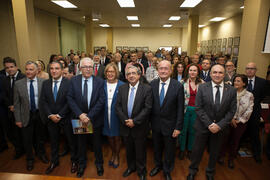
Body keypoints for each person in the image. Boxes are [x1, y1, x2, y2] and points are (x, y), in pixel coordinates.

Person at [187, 64, 237, 180]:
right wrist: (210, 124)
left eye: (220, 73)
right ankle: (192, 171)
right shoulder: (202, 87)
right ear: (210, 74)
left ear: (224, 75)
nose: (217, 75)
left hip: (220, 128)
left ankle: (210, 172)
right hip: (203, 126)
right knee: (197, 151)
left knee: (215, 152)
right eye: (214, 72)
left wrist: (219, 125)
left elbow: (232, 111)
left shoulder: (231, 90)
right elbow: (198, 108)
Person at [67, 57, 105, 177]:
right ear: (80, 68)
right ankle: (81, 165)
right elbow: (70, 98)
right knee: (81, 144)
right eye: (85, 67)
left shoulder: (99, 81)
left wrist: (89, 116)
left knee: (97, 144)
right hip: (79, 119)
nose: (88, 69)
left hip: (94, 119)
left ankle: (99, 164)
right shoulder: (74, 80)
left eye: (90, 67)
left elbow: (101, 100)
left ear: (93, 68)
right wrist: (80, 114)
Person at [40, 61, 78, 174]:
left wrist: (60, 114)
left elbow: (70, 101)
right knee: (54, 142)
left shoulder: (69, 83)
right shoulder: (45, 83)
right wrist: (50, 115)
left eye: (57, 68)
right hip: (51, 119)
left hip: (66, 117)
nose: (54, 71)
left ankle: (74, 161)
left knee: (71, 142)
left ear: (62, 70)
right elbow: (43, 101)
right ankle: (54, 161)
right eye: (51, 68)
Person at [115, 65, 152, 180]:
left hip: (139, 126)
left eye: (133, 73)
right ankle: (131, 167)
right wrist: (126, 120)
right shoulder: (122, 88)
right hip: (126, 125)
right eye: (128, 74)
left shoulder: (146, 88)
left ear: (139, 75)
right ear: (126, 76)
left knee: (140, 151)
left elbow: (147, 108)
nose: (131, 75)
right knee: (129, 150)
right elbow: (118, 107)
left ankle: (141, 170)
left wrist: (134, 121)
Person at [150, 60, 184, 180]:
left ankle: (167, 169)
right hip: (155, 124)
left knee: (169, 150)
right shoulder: (152, 84)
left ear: (170, 71)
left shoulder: (178, 86)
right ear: (157, 70)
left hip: (171, 125)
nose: (163, 71)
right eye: (161, 68)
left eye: (166, 69)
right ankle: (158, 165)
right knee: (157, 147)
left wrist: (178, 127)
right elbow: (149, 106)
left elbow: (180, 108)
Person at [13, 61, 49, 171]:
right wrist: (18, 119)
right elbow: (16, 103)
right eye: (27, 69)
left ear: (37, 70)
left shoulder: (44, 82)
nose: (28, 72)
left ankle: (41, 154)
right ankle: (30, 159)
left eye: (31, 69)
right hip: (25, 115)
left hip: (40, 114)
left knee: (40, 137)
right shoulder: (18, 84)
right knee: (27, 139)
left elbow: (47, 100)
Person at [219, 74, 254, 169]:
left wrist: (239, 121)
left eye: (238, 81)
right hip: (227, 121)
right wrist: (231, 118)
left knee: (235, 141)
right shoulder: (229, 92)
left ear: (244, 83)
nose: (235, 82)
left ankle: (231, 159)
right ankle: (221, 156)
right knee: (224, 140)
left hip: (240, 123)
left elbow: (249, 110)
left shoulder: (249, 95)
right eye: (235, 81)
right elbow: (224, 106)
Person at [179, 64, 204, 160]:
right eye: (191, 70)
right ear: (187, 71)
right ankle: (182, 150)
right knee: (183, 130)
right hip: (184, 110)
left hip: (197, 111)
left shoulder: (202, 83)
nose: (192, 72)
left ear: (198, 72)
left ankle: (190, 149)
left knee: (193, 131)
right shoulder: (182, 82)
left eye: (195, 70)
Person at [2, 57, 25, 159]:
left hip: (22, 110)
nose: (10, 69)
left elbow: (25, 95)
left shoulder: (23, 77)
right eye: (7, 68)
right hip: (10, 110)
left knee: (24, 133)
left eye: (11, 67)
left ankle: (26, 149)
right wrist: (10, 105)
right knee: (12, 133)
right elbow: (3, 94)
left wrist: (17, 106)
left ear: (16, 67)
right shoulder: (4, 80)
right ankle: (18, 149)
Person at [103, 63, 125, 169]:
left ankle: (116, 155)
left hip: (117, 116)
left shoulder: (122, 85)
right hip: (104, 115)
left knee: (117, 137)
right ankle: (113, 152)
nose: (110, 73)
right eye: (108, 71)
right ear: (105, 73)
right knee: (109, 136)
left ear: (116, 72)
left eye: (112, 71)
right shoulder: (101, 84)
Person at [245, 62, 267, 163]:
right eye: (248, 68)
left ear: (255, 70)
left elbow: (263, 96)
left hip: (255, 111)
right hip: (242, 111)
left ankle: (257, 154)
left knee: (254, 133)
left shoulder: (262, 82)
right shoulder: (241, 80)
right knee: (241, 131)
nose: (250, 70)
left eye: (252, 68)